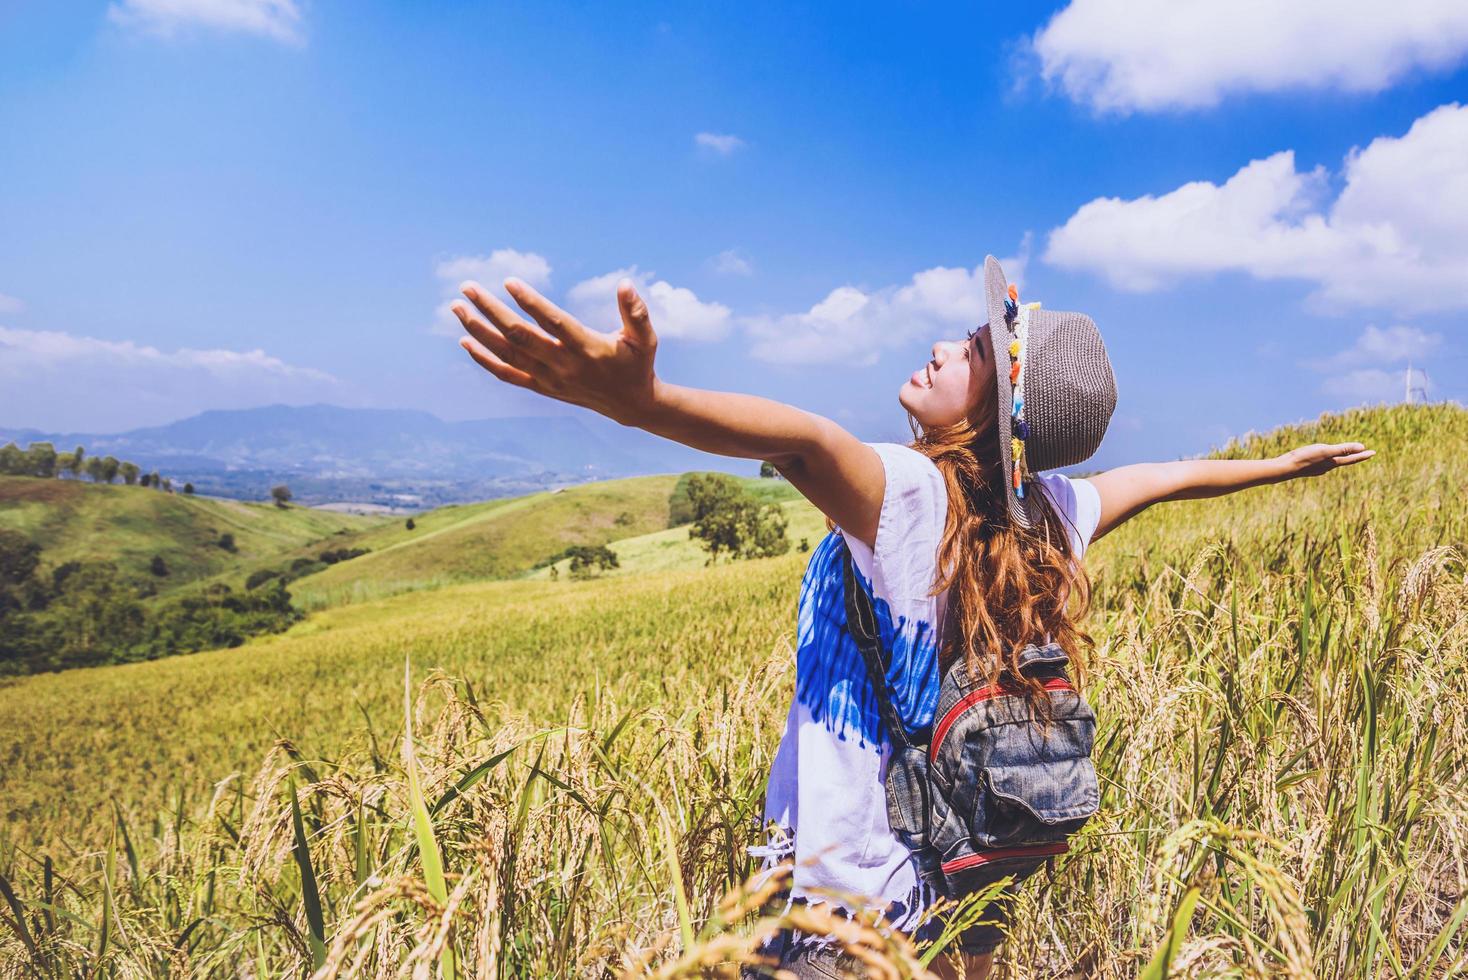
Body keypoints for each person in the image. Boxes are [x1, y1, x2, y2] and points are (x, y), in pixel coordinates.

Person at [449, 256, 1374, 978]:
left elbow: (803, 439)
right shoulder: (1053, 516)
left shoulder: (910, 499)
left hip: (840, 905)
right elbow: (1166, 479)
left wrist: (644, 403)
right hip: (963, 880)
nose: (943, 347)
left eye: (973, 352)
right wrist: (1284, 466)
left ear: (994, 417)